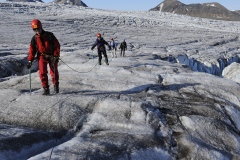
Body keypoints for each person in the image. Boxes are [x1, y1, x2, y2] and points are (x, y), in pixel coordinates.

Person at [26, 19, 61, 95]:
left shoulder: (50, 35)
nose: (36, 31)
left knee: (54, 72)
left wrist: (56, 55)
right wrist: (30, 60)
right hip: (42, 56)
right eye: (34, 29)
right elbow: (32, 50)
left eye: (37, 29)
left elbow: (57, 45)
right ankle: (46, 89)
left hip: (52, 56)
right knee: (42, 73)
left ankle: (56, 86)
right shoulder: (34, 39)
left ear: (41, 27)